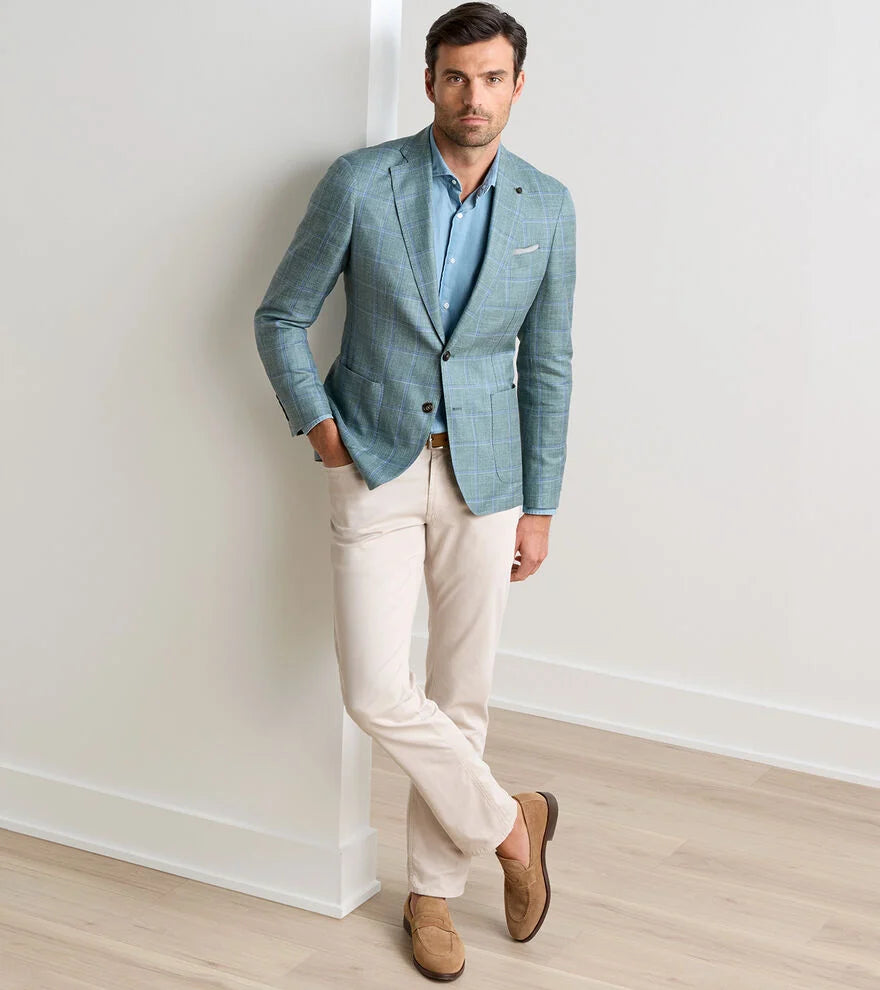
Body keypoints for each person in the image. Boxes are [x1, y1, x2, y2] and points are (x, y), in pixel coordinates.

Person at [254, 2, 575, 980]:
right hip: (374, 461)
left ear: (517, 86)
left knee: (460, 694)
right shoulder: (361, 182)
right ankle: (511, 828)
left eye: (490, 78)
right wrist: (323, 433)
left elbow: (549, 360)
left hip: (489, 477)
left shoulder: (546, 204)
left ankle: (432, 896)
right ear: (428, 82)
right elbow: (280, 315)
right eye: (453, 77)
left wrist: (542, 504)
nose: (471, 97)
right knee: (377, 691)